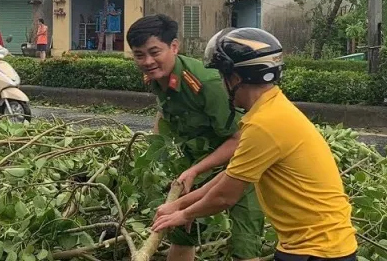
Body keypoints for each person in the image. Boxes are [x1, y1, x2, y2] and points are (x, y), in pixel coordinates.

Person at [152, 27, 358, 261]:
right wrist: (180, 205)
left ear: (236, 79)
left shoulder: (265, 124)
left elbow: (225, 197)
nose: (221, 84)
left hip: (317, 250)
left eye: (222, 77)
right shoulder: (271, 110)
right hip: (314, 245)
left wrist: (184, 214)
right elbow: (231, 175)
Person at [125, 14, 264, 261]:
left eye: (154, 52)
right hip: (196, 166)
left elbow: (240, 139)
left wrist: (194, 171)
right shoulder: (156, 78)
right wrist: (155, 156)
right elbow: (164, 113)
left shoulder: (207, 83)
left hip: (241, 167)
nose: (147, 61)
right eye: (139, 55)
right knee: (180, 232)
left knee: (245, 245)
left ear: (174, 46)